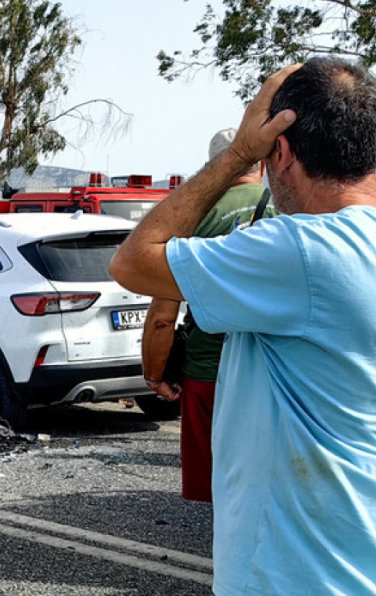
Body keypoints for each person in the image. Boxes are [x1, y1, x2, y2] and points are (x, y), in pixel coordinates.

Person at [109, 57, 376, 596]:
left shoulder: (301, 252)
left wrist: (239, 152)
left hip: (308, 591)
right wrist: (340, 100)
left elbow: (134, 260)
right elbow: (372, 170)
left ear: (283, 150)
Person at [142, 127, 274, 506]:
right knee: (272, 484)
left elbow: (163, 317)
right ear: (263, 165)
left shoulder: (193, 218)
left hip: (208, 372)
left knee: (221, 491)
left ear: (214, 167)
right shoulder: (292, 210)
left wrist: (155, 375)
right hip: (276, 372)